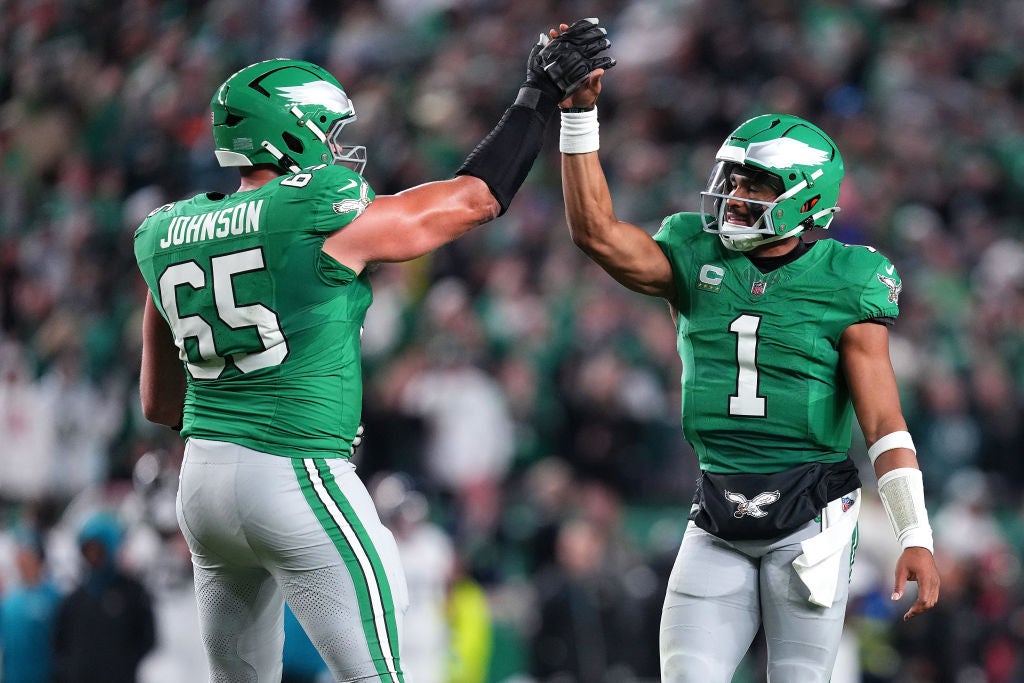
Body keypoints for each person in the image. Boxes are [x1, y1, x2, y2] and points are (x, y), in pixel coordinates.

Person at [133, 21, 614, 682]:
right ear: (291, 131)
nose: (336, 151)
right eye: (327, 133)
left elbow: (160, 402)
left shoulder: (164, 230)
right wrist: (536, 95)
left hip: (204, 485)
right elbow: (475, 200)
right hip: (295, 469)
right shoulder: (313, 206)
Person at [553, 41, 940, 682]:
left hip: (810, 520)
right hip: (717, 512)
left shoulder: (847, 279)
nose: (735, 195)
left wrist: (914, 533)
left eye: (756, 183)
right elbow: (595, 233)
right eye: (733, 179)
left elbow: (884, 425)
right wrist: (578, 116)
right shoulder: (691, 252)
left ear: (804, 198)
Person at [53, 512, 156, 683]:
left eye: (98, 550)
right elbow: (60, 646)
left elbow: (147, 639)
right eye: (88, 550)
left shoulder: (133, 594)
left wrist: (122, 666)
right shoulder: (74, 601)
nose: (93, 557)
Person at [0, 527, 63, 683]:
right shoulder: (9, 600)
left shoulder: (54, 597)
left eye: (27, 554)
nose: (22, 560)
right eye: (20, 554)